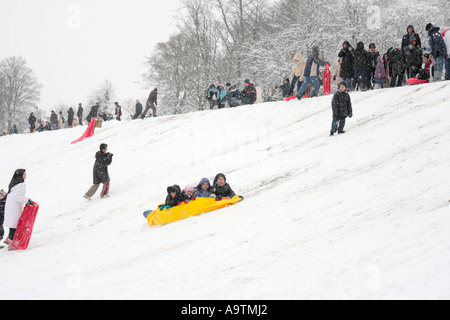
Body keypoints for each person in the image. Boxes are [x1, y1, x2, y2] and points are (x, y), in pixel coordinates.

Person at [4, 169, 32, 251]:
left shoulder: (15, 183)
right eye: (24, 173)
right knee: (14, 226)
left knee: (13, 224)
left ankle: (8, 239)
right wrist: (27, 200)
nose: (25, 174)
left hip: (11, 207)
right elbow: (17, 197)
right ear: (20, 175)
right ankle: (11, 245)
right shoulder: (20, 185)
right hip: (14, 208)